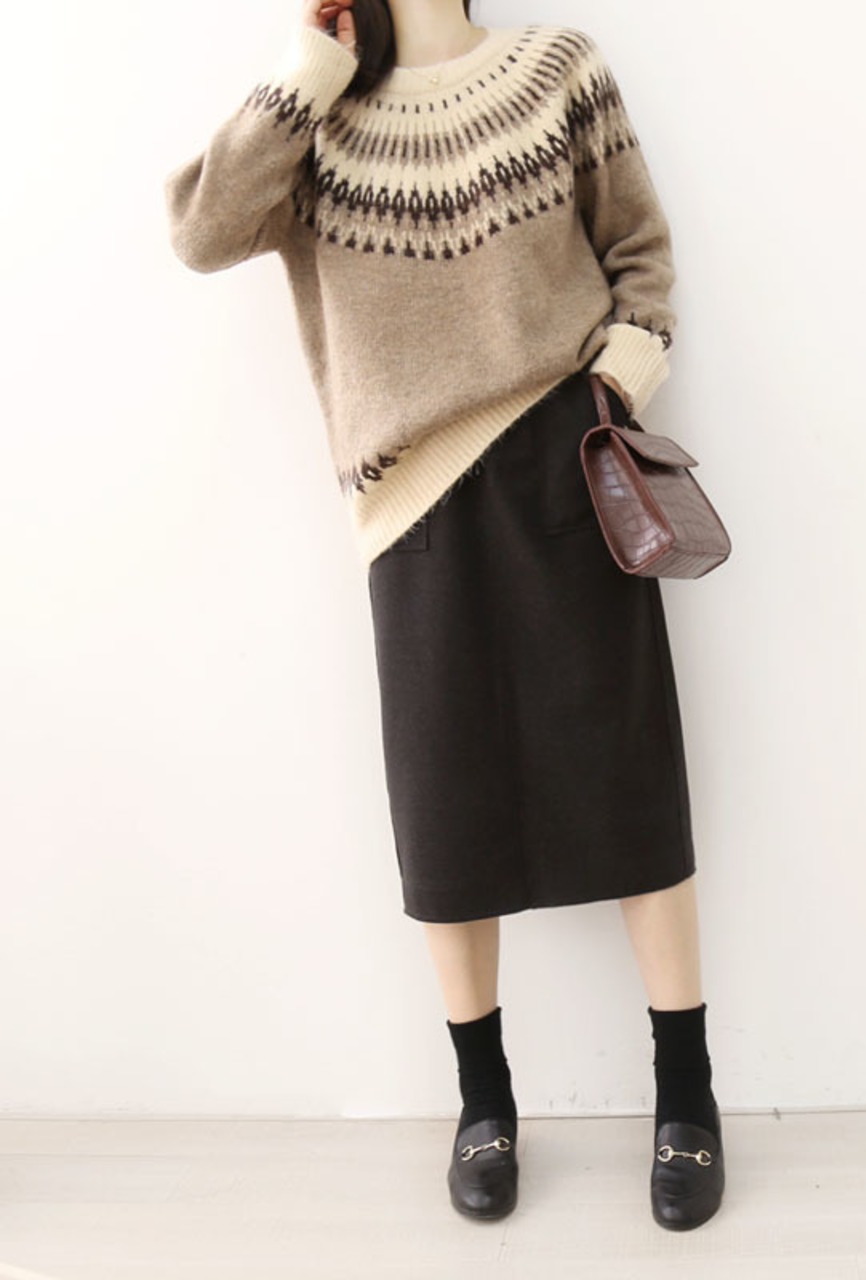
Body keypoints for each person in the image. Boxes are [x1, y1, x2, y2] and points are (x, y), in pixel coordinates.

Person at [163, 0, 724, 1231]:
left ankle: (685, 1092)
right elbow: (203, 231)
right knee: (446, 805)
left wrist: (613, 386)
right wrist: (310, 67)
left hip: (568, 463)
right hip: (411, 502)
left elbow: (638, 254)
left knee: (628, 775)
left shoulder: (556, 70)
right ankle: (483, 1100)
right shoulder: (315, 116)